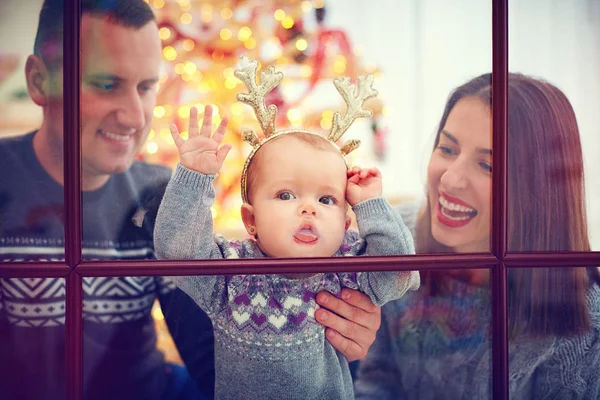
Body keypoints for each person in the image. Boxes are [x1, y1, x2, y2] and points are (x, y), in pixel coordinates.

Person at [0, 1, 384, 399]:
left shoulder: (162, 196)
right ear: (39, 81)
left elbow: (212, 354)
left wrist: (330, 327)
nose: (134, 117)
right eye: (106, 83)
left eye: (147, 86)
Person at [153, 59, 419, 399]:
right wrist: (194, 176)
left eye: (326, 199)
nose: (307, 208)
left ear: (345, 223)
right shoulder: (230, 273)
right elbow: (177, 251)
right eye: (286, 195)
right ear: (251, 222)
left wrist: (371, 205)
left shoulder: (345, 267)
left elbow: (397, 272)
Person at [353, 73, 600, 399]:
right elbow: (378, 383)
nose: (451, 179)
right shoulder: (396, 240)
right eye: (447, 148)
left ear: (541, 188)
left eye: (488, 166)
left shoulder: (583, 324)